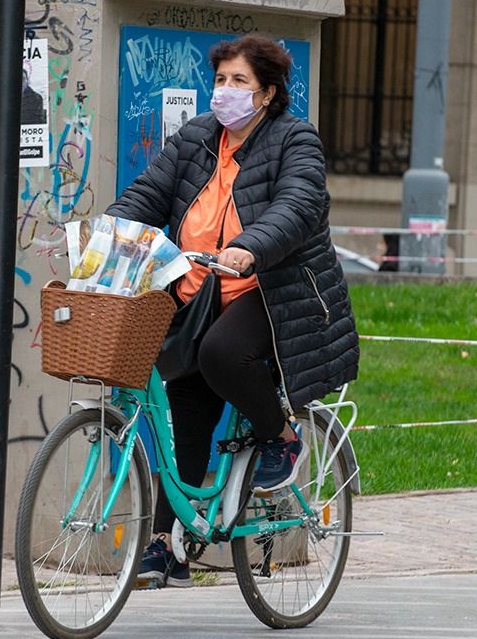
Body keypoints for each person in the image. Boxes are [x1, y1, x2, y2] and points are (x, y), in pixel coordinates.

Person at [104, 34, 360, 588]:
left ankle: (281, 436)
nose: (225, 91)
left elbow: (297, 204)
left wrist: (252, 247)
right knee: (185, 400)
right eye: (220, 80)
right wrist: (105, 233)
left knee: (222, 354)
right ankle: (167, 547)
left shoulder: (296, 140)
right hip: (199, 290)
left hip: (272, 290)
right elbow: (148, 193)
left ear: (267, 93)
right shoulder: (197, 136)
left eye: (239, 81)